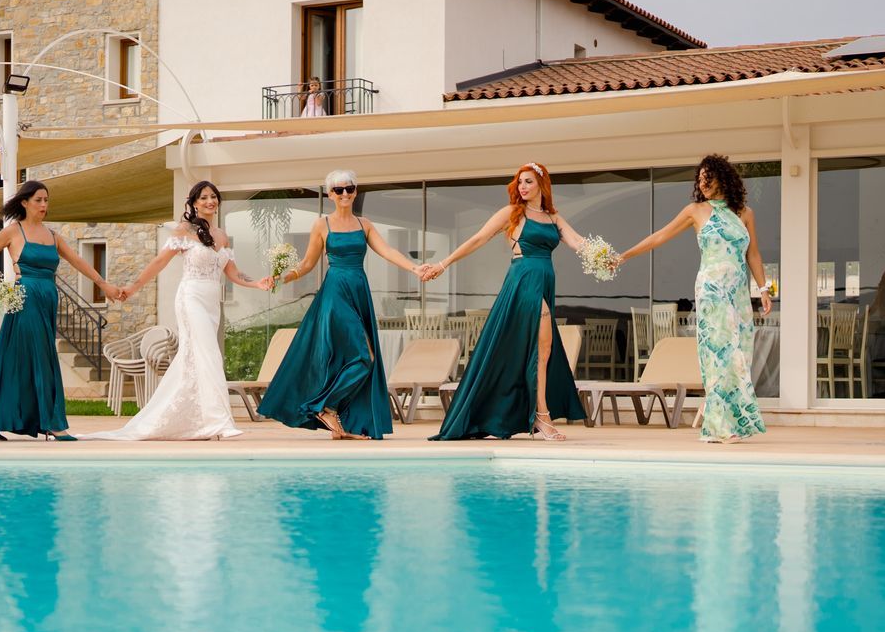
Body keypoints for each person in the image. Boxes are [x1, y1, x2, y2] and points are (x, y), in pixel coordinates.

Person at [88, 181, 273, 441]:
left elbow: (232, 273)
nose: (210, 201)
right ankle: (219, 421)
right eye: (204, 197)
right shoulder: (183, 231)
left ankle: (195, 419)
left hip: (211, 305)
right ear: (194, 202)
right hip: (191, 299)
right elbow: (158, 262)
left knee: (198, 359)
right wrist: (132, 287)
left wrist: (256, 283)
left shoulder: (221, 235)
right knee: (209, 354)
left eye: (213, 197)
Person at [419, 162, 590, 441]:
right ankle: (541, 416)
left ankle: (534, 412)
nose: (522, 187)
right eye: (519, 182)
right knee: (543, 344)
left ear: (541, 186)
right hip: (523, 281)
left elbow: (577, 241)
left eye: (528, 182)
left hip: (544, 280)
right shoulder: (513, 213)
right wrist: (443, 263)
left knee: (542, 350)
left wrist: (602, 256)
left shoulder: (553, 217)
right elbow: (478, 238)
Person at [618, 154, 771, 442]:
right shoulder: (695, 211)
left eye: (707, 178)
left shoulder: (745, 213)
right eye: (699, 179)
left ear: (723, 179)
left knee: (739, 354)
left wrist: (764, 289)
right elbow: (660, 236)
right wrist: (625, 256)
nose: (703, 184)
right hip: (712, 291)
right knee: (719, 353)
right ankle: (718, 426)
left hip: (738, 293)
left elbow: (753, 254)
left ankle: (734, 421)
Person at [261, 169, 419, 439]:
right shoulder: (322, 225)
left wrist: (415, 269)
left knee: (353, 358)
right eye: (338, 190)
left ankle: (339, 423)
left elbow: (389, 251)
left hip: (359, 290)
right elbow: (307, 264)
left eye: (349, 188)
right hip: (335, 294)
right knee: (364, 356)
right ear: (329, 194)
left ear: (355, 192)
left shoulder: (364, 224)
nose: (344, 193)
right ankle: (324, 406)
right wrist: (281, 279)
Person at [0, 179, 127, 441]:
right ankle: (53, 423)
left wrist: (104, 285)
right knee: (42, 358)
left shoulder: (53, 236)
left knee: (18, 358)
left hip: (47, 299)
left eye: (46, 200)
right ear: (24, 202)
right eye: (38, 200)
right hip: (25, 298)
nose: (44, 205)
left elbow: (78, 261)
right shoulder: (13, 231)